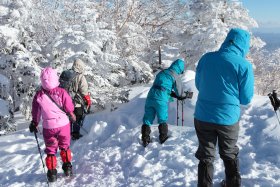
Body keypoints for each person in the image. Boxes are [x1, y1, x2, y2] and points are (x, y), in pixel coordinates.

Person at [194, 28, 254, 187]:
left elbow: (199, 84)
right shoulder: (244, 65)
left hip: (202, 115)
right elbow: (246, 98)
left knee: (206, 156)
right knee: (229, 154)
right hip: (227, 119)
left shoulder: (206, 58)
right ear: (244, 46)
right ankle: (232, 184)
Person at [29, 67, 76, 182]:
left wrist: (34, 123)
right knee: (64, 146)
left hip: (48, 128)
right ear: (55, 78)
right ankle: (67, 167)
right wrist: (71, 113)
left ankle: (52, 173)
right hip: (63, 125)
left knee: (50, 149)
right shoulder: (61, 92)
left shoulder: (39, 95)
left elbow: (36, 112)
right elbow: (69, 107)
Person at [141, 59, 188, 147]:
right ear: (180, 69)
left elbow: (161, 85)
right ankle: (163, 138)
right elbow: (180, 93)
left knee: (147, 118)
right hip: (161, 99)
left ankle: (145, 138)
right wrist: (184, 95)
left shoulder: (163, 72)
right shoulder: (175, 75)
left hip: (151, 96)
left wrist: (170, 93)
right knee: (162, 118)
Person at [70, 58, 91, 140]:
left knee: (68, 117)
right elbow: (84, 91)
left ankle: (66, 134)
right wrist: (88, 101)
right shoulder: (80, 77)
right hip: (77, 102)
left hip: (66, 101)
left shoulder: (67, 73)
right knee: (77, 117)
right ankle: (75, 134)